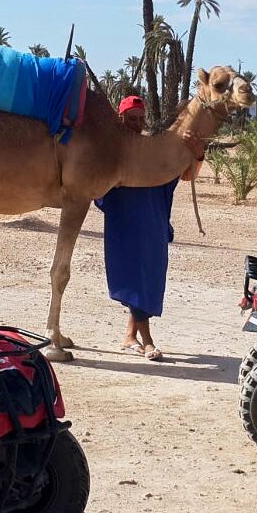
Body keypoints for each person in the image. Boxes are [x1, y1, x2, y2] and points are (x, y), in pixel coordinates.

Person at [94, 95, 179, 361]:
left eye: (141, 120)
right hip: (126, 223)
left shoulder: (150, 148)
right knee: (135, 278)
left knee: (150, 279)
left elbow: (169, 175)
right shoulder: (110, 149)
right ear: (121, 119)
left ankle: (129, 337)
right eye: (132, 119)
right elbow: (97, 186)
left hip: (153, 221)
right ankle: (148, 341)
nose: (137, 125)